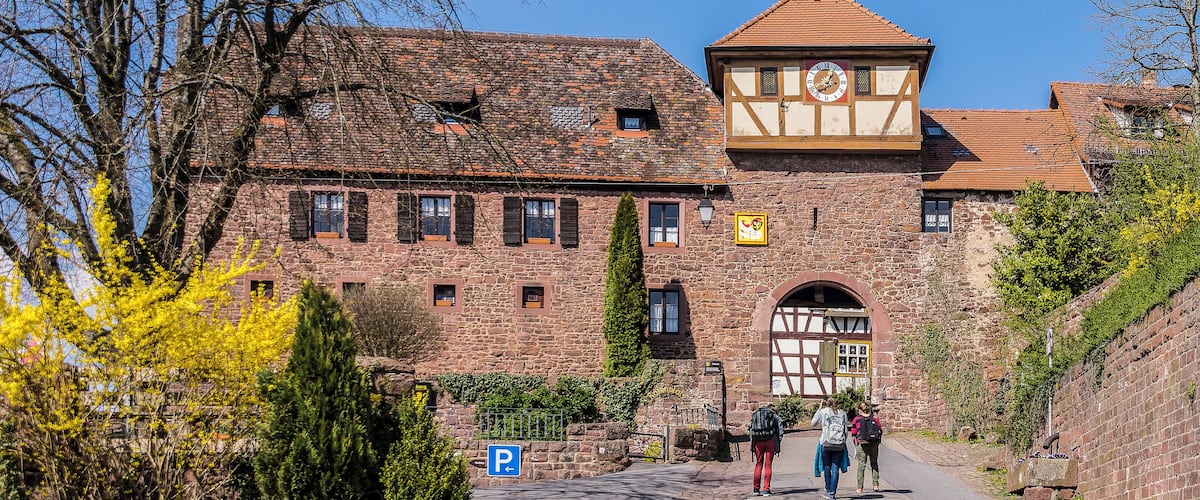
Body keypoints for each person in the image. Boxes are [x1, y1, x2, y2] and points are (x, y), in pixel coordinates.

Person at [811, 398, 850, 500]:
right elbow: (845, 430)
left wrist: (819, 409)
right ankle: (832, 493)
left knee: (827, 466)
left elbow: (813, 423)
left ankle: (827, 489)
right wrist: (843, 441)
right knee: (835, 468)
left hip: (826, 443)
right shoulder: (842, 413)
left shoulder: (824, 412)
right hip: (839, 444)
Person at [747, 401, 783, 496]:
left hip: (758, 441)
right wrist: (779, 439)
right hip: (770, 441)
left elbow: (750, 429)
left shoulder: (756, 414)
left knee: (758, 464)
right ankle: (766, 489)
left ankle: (756, 489)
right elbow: (780, 426)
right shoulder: (773, 415)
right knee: (768, 465)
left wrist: (752, 444)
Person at [850, 402, 883, 493]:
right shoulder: (875, 419)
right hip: (874, 443)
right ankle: (875, 485)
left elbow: (853, 433)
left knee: (861, 465)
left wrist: (856, 444)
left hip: (862, 444)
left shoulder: (856, 419)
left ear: (860, 410)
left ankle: (860, 487)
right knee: (874, 464)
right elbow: (880, 430)